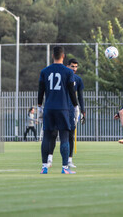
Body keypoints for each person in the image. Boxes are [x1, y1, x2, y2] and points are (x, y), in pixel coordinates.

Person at [38, 46, 79, 174]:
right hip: (63, 108)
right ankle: (65, 168)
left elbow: (41, 91)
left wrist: (39, 106)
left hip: (49, 108)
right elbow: (72, 92)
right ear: (63, 56)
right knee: (65, 137)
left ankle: (44, 167)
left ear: (52, 56)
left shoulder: (44, 71)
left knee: (47, 136)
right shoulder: (68, 72)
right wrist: (76, 106)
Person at [46, 58, 86, 168]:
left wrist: (82, 110)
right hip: (58, 109)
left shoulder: (78, 80)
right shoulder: (62, 77)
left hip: (71, 111)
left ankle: (69, 160)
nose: (74, 68)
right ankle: (49, 159)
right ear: (67, 66)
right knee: (53, 134)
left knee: (70, 136)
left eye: (76, 67)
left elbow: (80, 97)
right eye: (72, 66)